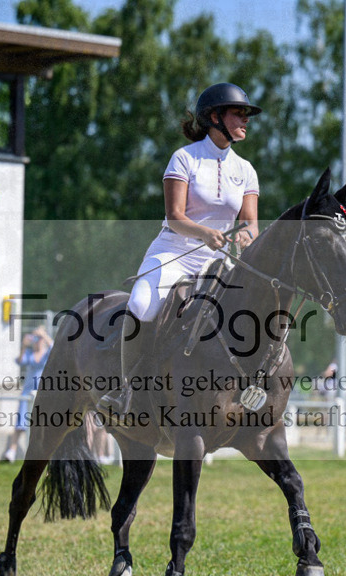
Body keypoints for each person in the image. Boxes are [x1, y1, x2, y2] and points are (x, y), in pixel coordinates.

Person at [98, 83, 262, 414]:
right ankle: (126, 389)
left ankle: (247, 390)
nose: (246, 120)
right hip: (175, 252)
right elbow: (174, 217)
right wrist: (204, 233)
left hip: (219, 261)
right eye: (238, 113)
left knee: (251, 311)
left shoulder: (245, 170)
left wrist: (246, 236)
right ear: (215, 117)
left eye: (247, 114)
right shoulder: (185, 158)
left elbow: (250, 223)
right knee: (141, 304)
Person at [3, 326, 53, 462]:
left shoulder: (48, 353)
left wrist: (44, 335)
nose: (37, 341)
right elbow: (20, 361)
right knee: (21, 421)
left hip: (42, 394)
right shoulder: (30, 353)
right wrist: (24, 345)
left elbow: (55, 348)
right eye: (36, 338)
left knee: (44, 423)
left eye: (39, 338)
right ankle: (12, 451)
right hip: (27, 392)